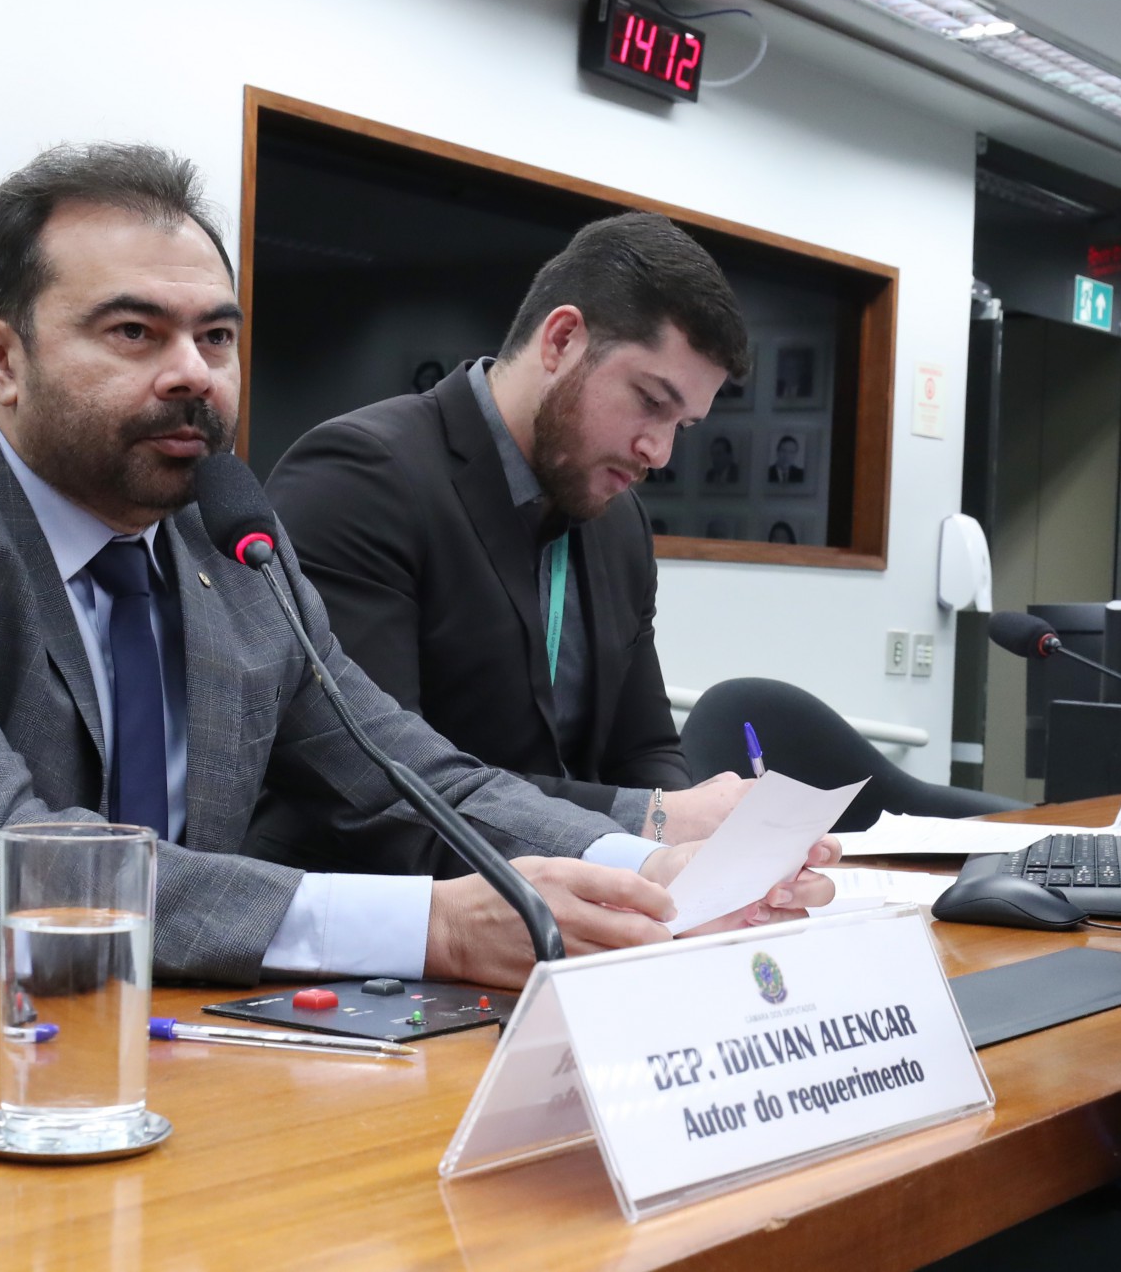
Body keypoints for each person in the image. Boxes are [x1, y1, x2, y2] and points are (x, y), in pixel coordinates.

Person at [0, 146, 836, 994]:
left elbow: (412, 771)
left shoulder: (226, 536)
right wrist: (433, 926)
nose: (194, 373)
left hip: (153, 1047)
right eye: (134, 333)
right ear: (1, 359)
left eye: (220, 336)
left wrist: (649, 871)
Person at [260, 211, 767, 873]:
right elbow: (379, 781)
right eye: (649, 400)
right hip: (390, 919)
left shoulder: (620, 520)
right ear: (560, 340)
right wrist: (650, 820)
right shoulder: (360, 477)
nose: (659, 450)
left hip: (577, 901)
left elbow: (641, 746)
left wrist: (699, 832)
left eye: (684, 425)